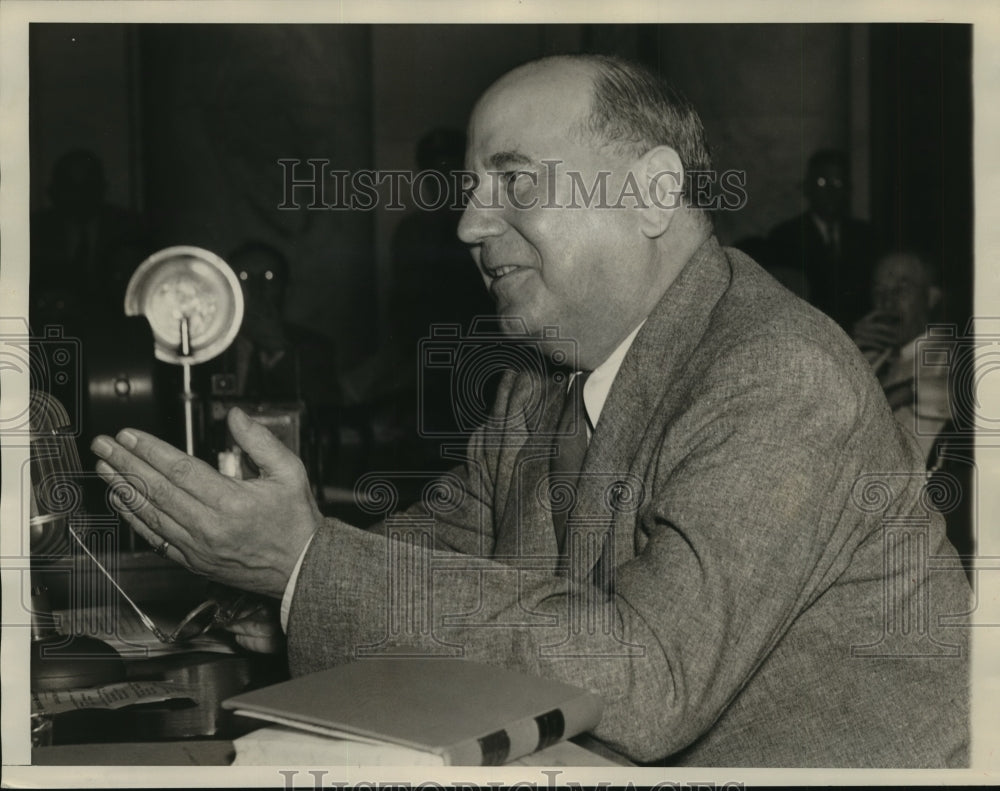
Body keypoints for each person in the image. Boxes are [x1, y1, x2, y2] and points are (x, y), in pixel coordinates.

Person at [89, 55, 969, 767]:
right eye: (474, 188)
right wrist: (274, 577)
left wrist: (306, 566)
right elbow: (425, 560)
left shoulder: (778, 373)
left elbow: (648, 677)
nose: (470, 224)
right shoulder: (539, 383)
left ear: (654, 192)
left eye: (513, 181)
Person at [853, 250, 950, 463]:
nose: (886, 302)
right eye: (879, 291)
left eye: (901, 289)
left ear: (931, 297)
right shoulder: (870, 357)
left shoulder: (951, 352)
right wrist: (846, 352)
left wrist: (906, 393)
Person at [766, 148, 877, 330]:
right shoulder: (785, 237)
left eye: (838, 183)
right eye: (821, 182)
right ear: (807, 188)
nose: (830, 191)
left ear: (848, 190)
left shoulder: (866, 236)